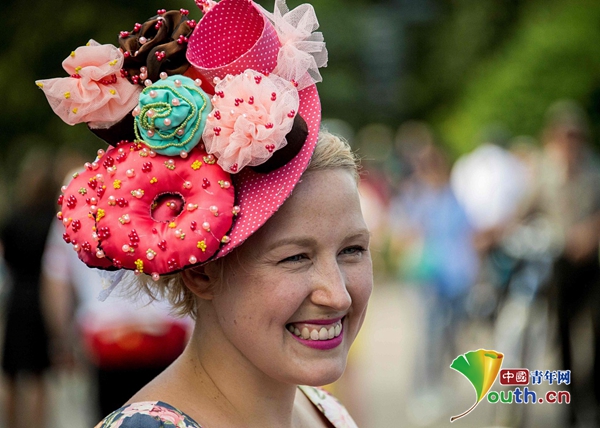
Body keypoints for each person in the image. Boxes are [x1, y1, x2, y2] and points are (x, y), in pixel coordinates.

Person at [36, 0, 370, 426]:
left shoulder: (325, 411)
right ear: (202, 273)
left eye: (353, 250)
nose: (337, 294)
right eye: (295, 257)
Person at [0, 146, 57, 428]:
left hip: (18, 298)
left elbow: (7, 260)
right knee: (37, 375)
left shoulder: (15, 219)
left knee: (10, 373)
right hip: (43, 297)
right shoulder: (55, 221)